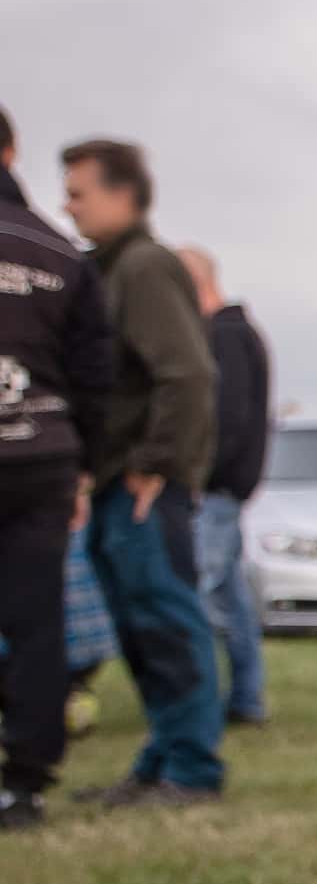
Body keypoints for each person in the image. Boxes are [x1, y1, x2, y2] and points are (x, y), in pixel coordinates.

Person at [58, 138, 225, 807]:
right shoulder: (110, 269)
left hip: (141, 488)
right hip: (114, 482)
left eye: (78, 194)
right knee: (138, 629)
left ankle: (191, 769)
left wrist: (155, 466)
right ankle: (161, 762)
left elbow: (187, 373)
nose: (69, 208)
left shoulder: (146, 267)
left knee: (166, 622)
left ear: (122, 194)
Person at [0, 104, 117, 828]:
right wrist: (84, 473)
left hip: (38, 461)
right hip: (41, 459)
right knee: (39, 623)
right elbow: (95, 378)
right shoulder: (57, 252)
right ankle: (26, 781)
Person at [181, 244, 272, 726]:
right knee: (230, 598)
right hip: (225, 490)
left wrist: (199, 475)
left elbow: (226, 419)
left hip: (215, 490)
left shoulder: (227, 336)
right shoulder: (235, 333)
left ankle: (196, 707)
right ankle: (245, 698)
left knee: (195, 595)